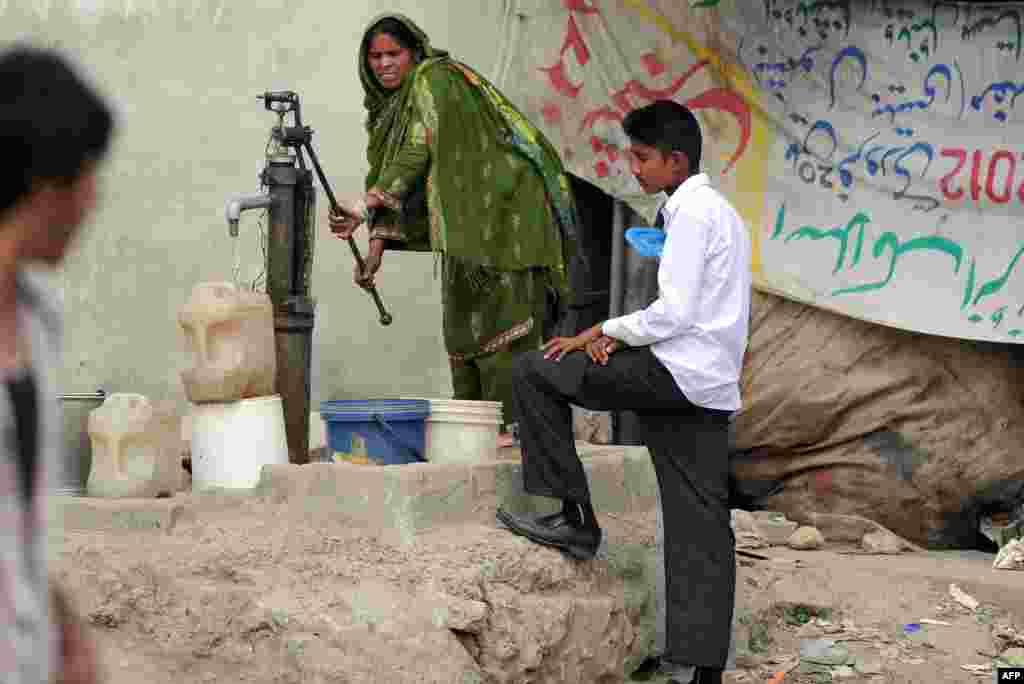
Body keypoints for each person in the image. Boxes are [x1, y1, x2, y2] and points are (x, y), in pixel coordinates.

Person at [496, 100, 751, 684]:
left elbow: (676, 311)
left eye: (641, 158)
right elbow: (690, 311)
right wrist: (626, 339)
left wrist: (601, 332)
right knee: (702, 521)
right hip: (706, 383)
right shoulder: (722, 213)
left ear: (676, 160)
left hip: (673, 372)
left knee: (536, 370)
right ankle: (700, 666)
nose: (632, 168)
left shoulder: (688, 214)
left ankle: (573, 515)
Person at [329, 14, 579, 442]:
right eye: (376, 56)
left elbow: (419, 148)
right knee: (464, 336)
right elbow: (394, 174)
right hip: (464, 230)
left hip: (506, 217)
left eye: (394, 54)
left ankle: (519, 439)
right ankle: (475, 437)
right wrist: (373, 254)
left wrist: (364, 202)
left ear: (414, 53)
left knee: (506, 333)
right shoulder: (389, 108)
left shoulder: (434, 79)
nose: (384, 64)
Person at [0, 46, 115, 683]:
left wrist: (61, 622)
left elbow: (17, 520)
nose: (94, 202)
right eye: (90, 177)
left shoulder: (38, 316)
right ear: (47, 183)